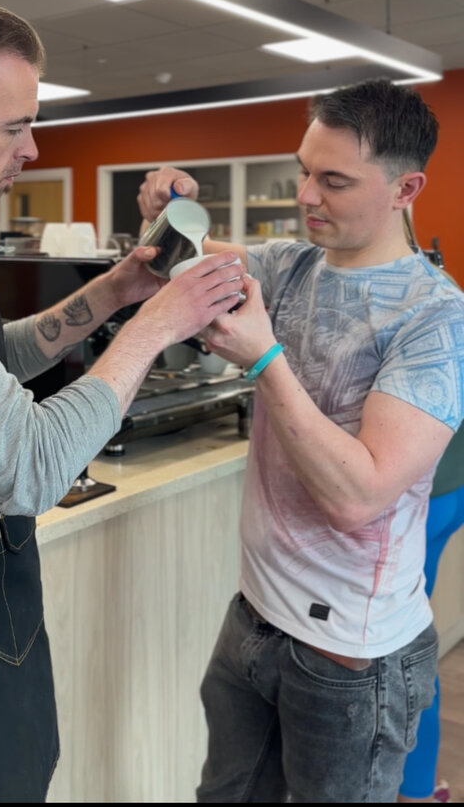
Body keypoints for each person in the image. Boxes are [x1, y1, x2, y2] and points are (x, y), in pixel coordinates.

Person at [0, 0, 244, 804]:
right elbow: (25, 463)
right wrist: (156, 323)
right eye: (14, 125)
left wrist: (115, 291)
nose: (33, 147)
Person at [136, 79, 464, 804]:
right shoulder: (290, 263)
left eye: (335, 180)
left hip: (350, 655)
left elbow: (360, 495)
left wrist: (263, 358)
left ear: (406, 187)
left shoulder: (437, 318)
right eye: (304, 170)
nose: (306, 195)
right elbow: (179, 257)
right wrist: (166, 212)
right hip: (253, 616)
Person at [398, 419, 464, 804]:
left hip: (419, 496)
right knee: (412, 643)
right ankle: (420, 785)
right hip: (450, 484)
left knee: (405, 653)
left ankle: (416, 792)